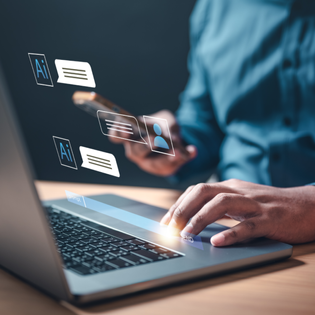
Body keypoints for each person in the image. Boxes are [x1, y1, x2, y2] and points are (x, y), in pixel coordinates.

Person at [109, 0, 315, 246]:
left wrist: (309, 205)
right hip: (227, 225)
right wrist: (173, 145)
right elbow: (208, 121)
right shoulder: (215, 6)